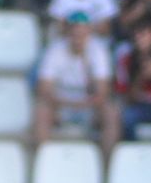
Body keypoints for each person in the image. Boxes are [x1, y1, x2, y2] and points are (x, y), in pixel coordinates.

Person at [33, 14, 119, 153]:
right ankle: (44, 161)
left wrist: (87, 103)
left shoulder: (98, 50)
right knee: (41, 110)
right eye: (75, 32)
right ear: (68, 32)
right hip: (60, 102)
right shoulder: (55, 49)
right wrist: (63, 103)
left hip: (89, 103)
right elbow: (44, 88)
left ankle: (107, 164)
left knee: (111, 112)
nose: (78, 36)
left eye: (82, 32)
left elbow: (103, 90)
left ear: (88, 32)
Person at [47, 0, 121, 38]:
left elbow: (105, 30)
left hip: (95, 41)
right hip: (68, 41)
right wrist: (78, 33)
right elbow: (60, 28)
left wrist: (80, 31)